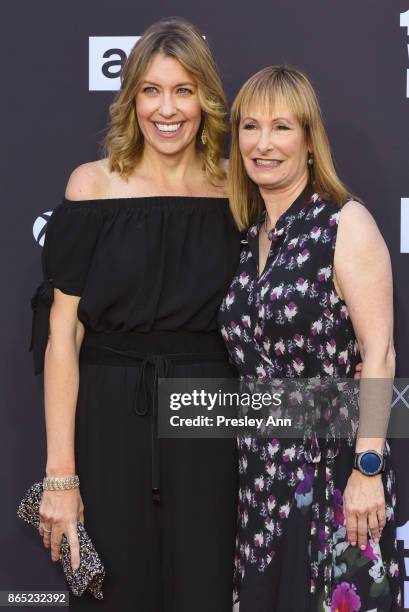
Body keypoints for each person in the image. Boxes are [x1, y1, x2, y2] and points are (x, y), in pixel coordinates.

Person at [29, 18, 241, 612]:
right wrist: (60, 476)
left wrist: (361, 401)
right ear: (131, 99)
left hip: (212, 412)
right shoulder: (92, 187)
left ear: (205, 98)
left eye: (183, 89)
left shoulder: (237, 189)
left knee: (208, 589)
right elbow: (63, 336)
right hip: (112, 411)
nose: (166, 109)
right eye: (151, 90)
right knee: (117, 592)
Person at [218, 66, 401, 611]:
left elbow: (380, 352)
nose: (263, 143)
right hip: (260, 475)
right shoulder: (251, 236)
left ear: (308, 139)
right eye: (250, 127)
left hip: (336, 467)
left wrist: (366, 468)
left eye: (281, 127)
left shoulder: (345, 224)